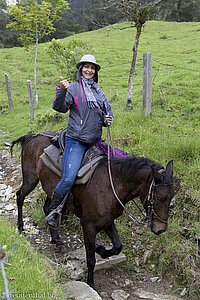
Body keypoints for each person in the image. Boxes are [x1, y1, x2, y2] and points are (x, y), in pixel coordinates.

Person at [45, 54, 114, 228]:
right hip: (76, 140)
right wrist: (61, 90)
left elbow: (108, 113)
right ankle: (54, 212)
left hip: (95, 141)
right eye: (86, 67)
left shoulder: (99, 93)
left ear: (95, 72)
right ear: (80, 69)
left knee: (115, 166)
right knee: (68, 178)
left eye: (92, 67)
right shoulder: (73, 88)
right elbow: (58, 107)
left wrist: (108, 120)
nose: (89, 70)